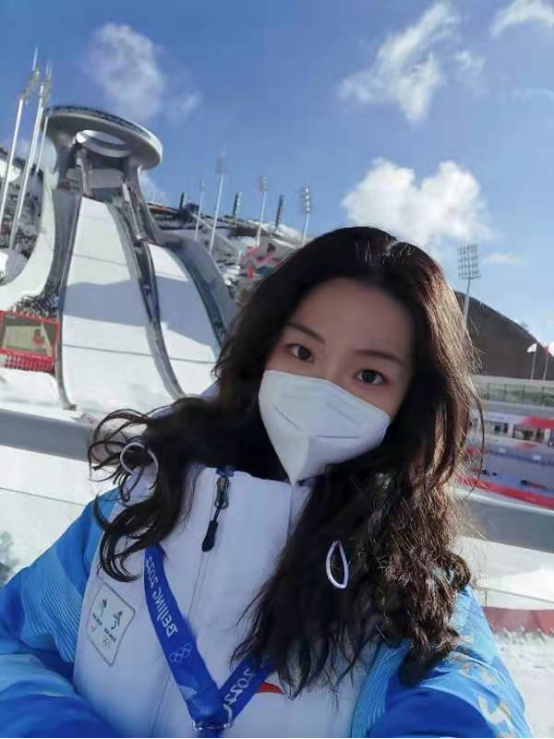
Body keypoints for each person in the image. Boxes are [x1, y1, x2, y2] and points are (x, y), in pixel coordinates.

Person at [0, 227, 530, 737]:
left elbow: (465, 713)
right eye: (302, 353)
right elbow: (15, 641)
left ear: (409, 403)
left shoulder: (410, 594)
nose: (322, 389)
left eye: (369, 375)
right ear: (264, 353)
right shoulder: (137, 510)